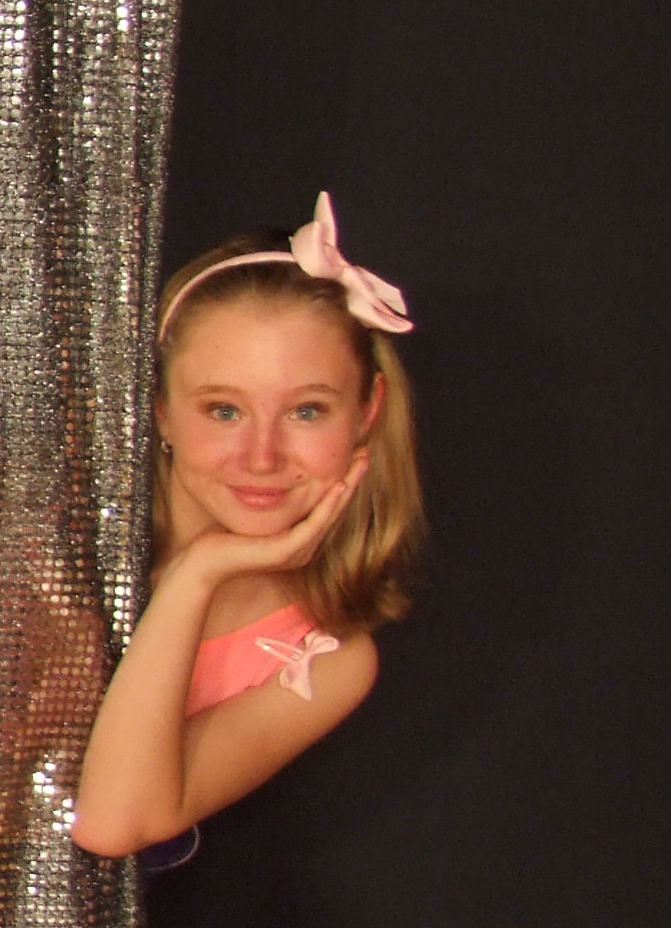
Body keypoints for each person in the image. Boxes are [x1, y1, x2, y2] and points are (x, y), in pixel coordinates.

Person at [71, 194, 425, 862]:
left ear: (367, 412)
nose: (262, 458)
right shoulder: (51, 540)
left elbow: (111, 824)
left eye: (307, 411)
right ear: (162, 410)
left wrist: (199, 572)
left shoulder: (327, 661)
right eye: (224, 411)